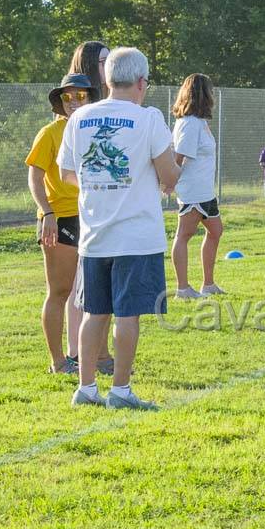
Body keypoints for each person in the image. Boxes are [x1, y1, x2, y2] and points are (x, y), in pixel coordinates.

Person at [58, 47, 181, 409]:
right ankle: (122, 391)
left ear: (107, 80)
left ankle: (87, 388)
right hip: (136, 235)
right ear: (142, 82)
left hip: (94, 234)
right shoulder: (149, 118)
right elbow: (169, 174)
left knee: (95, 312)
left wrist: (101, 186)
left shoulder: (79, 119)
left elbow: (67, 174)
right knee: (128, 315)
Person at [26, 73, 99, 375]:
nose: (73, 102)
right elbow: (34, 176)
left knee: (94, 290)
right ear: (59, 100)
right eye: (68, 96)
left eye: (80, 96)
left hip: (92, 215)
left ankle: (96, 357)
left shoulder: (94, 130)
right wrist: (47, 214)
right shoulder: (50, 133)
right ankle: (58, 361)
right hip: (61, 217)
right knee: (60, 290)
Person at [170, 73, 225, 298]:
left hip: (205, 192)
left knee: (215, 231)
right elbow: (177, 157)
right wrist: (169, 183)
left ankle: (208, 284)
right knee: (184, 234)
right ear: (202, 94)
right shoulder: (190, 124)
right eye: (209, 91)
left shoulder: (199, 123)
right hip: (192, 192)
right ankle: (182, 288)